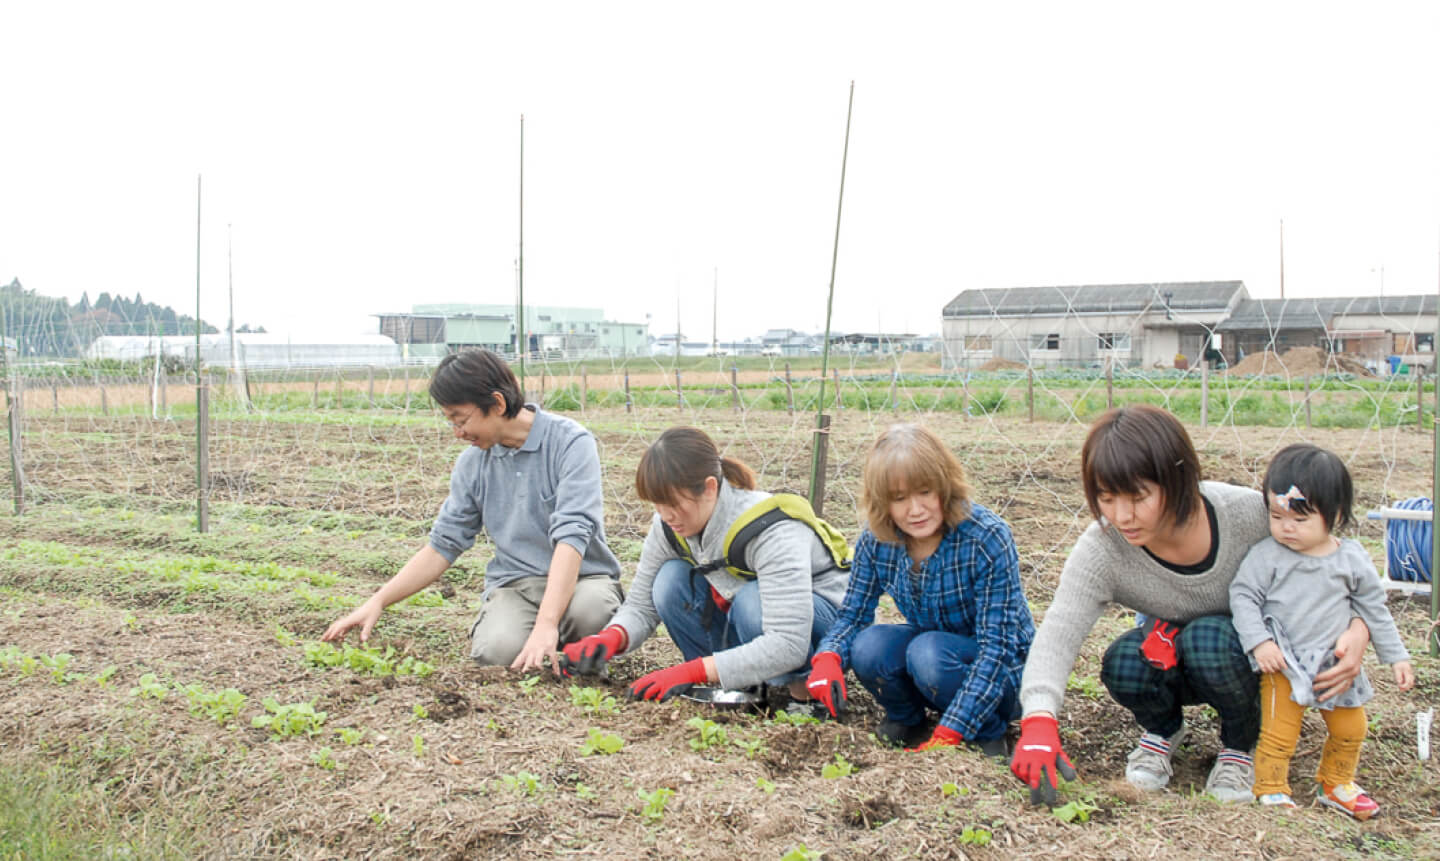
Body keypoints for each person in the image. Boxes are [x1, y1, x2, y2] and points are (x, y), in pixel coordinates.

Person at [1010, 405, 1372, 806]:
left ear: (1177, 479)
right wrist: (1039, 720)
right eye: (1107, 498)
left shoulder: (1248, 517)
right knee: (1125, 661)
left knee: (1208, 637)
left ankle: (1242, 742)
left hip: (1252, 663)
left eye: (1138, 497)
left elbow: (1331, 567)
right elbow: (1058, 632)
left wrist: (1358, 629)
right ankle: (1163, 731)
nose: (1122, 515)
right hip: (1173, 657)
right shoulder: (1103, 548)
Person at [322, 349, 623, 673]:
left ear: (497, 404)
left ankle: (574, 652)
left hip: (582, 579)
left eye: (461, 420)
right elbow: (444, 544)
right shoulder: (472, 464)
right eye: (451, 422)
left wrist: (546, 624)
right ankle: (541, 641)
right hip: (517, 584)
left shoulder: (570, 443)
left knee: (592, 611)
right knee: (497, 651)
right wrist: (378, 601)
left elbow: (571, 535)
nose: (458, 433)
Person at [560, 426, 849, 703]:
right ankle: (737, 681)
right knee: (670, 580)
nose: (666, 516)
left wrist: (691, 670)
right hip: (753, 621)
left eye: (673, 504)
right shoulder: (667, 526)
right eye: (657, 505)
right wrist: (611, 637)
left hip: (821, 633)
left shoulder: (771, 529)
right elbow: (641, 605)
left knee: (751, 600)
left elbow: (789, 643)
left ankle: (804, 692)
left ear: (710, 488)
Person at [803, 423, 1033, 757]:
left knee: (928, 652)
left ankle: (987, 733)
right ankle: (908, 720)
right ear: (884, 503)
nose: (915, 509)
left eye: (925, 492)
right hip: (936, 659)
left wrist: (951, 731)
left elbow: (997, 649)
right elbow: (853, 615)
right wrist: (828, 657)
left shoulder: (986, 538)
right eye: (899, 498)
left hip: (1004, 674)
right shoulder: (877, 541)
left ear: (945, 485)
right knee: (870, 646)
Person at [1230, 443, 1414, 818]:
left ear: (1336, 514)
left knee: (1351, 728)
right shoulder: (1268, 556)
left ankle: (1336, 782)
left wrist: (1395, 655)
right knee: (1280, 732)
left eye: (1299, 519)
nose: (1286, 528)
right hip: (1286, 661)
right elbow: (1243, 595)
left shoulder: (1352, 559)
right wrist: (1259, 642)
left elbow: (1372, 608)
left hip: (1336, 663)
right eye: (1277, 516)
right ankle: (1271, 786)